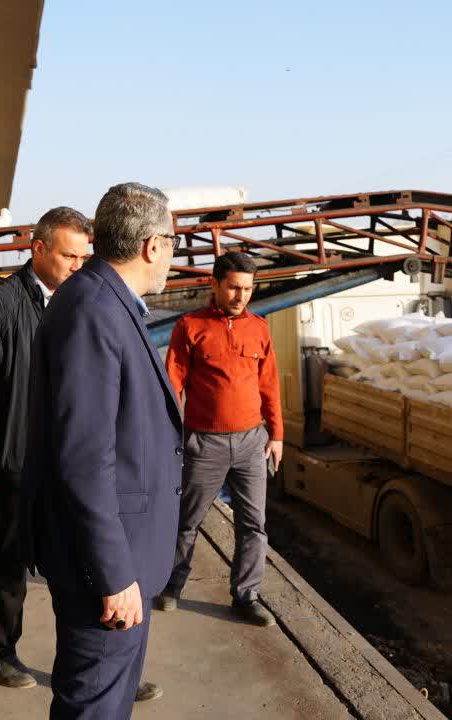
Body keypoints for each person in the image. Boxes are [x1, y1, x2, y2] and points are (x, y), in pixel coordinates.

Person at [24, 183, 182, 719]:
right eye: (173, 243)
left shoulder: (105, 301)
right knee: (93, 706)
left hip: (122, 558)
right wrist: (114, 574)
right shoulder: (93, 309)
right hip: (107, 569)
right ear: (153, 246)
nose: (172, 256)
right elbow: (84, 458)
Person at [0, 207, 93, 688]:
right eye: (69, 256)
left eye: (84, 257)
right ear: (39, 249)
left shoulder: (84, 303)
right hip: (19, 467)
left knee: (88, 564)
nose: (78, 266)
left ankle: (96, 662)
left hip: (75, 463)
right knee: (12, 565)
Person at [156, 251, 282, 626]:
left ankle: (246, 596)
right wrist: (167, 438)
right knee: (186, 521)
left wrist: (276, 435)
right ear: (215, 284)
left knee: (253, 525)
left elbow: (270, 385)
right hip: (204, 444)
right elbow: (172, 385)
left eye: (247, 289)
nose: (241, 296)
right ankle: (171, 586)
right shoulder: (190, 326)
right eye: (234, 288)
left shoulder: (259, 328)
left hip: (251, 443)